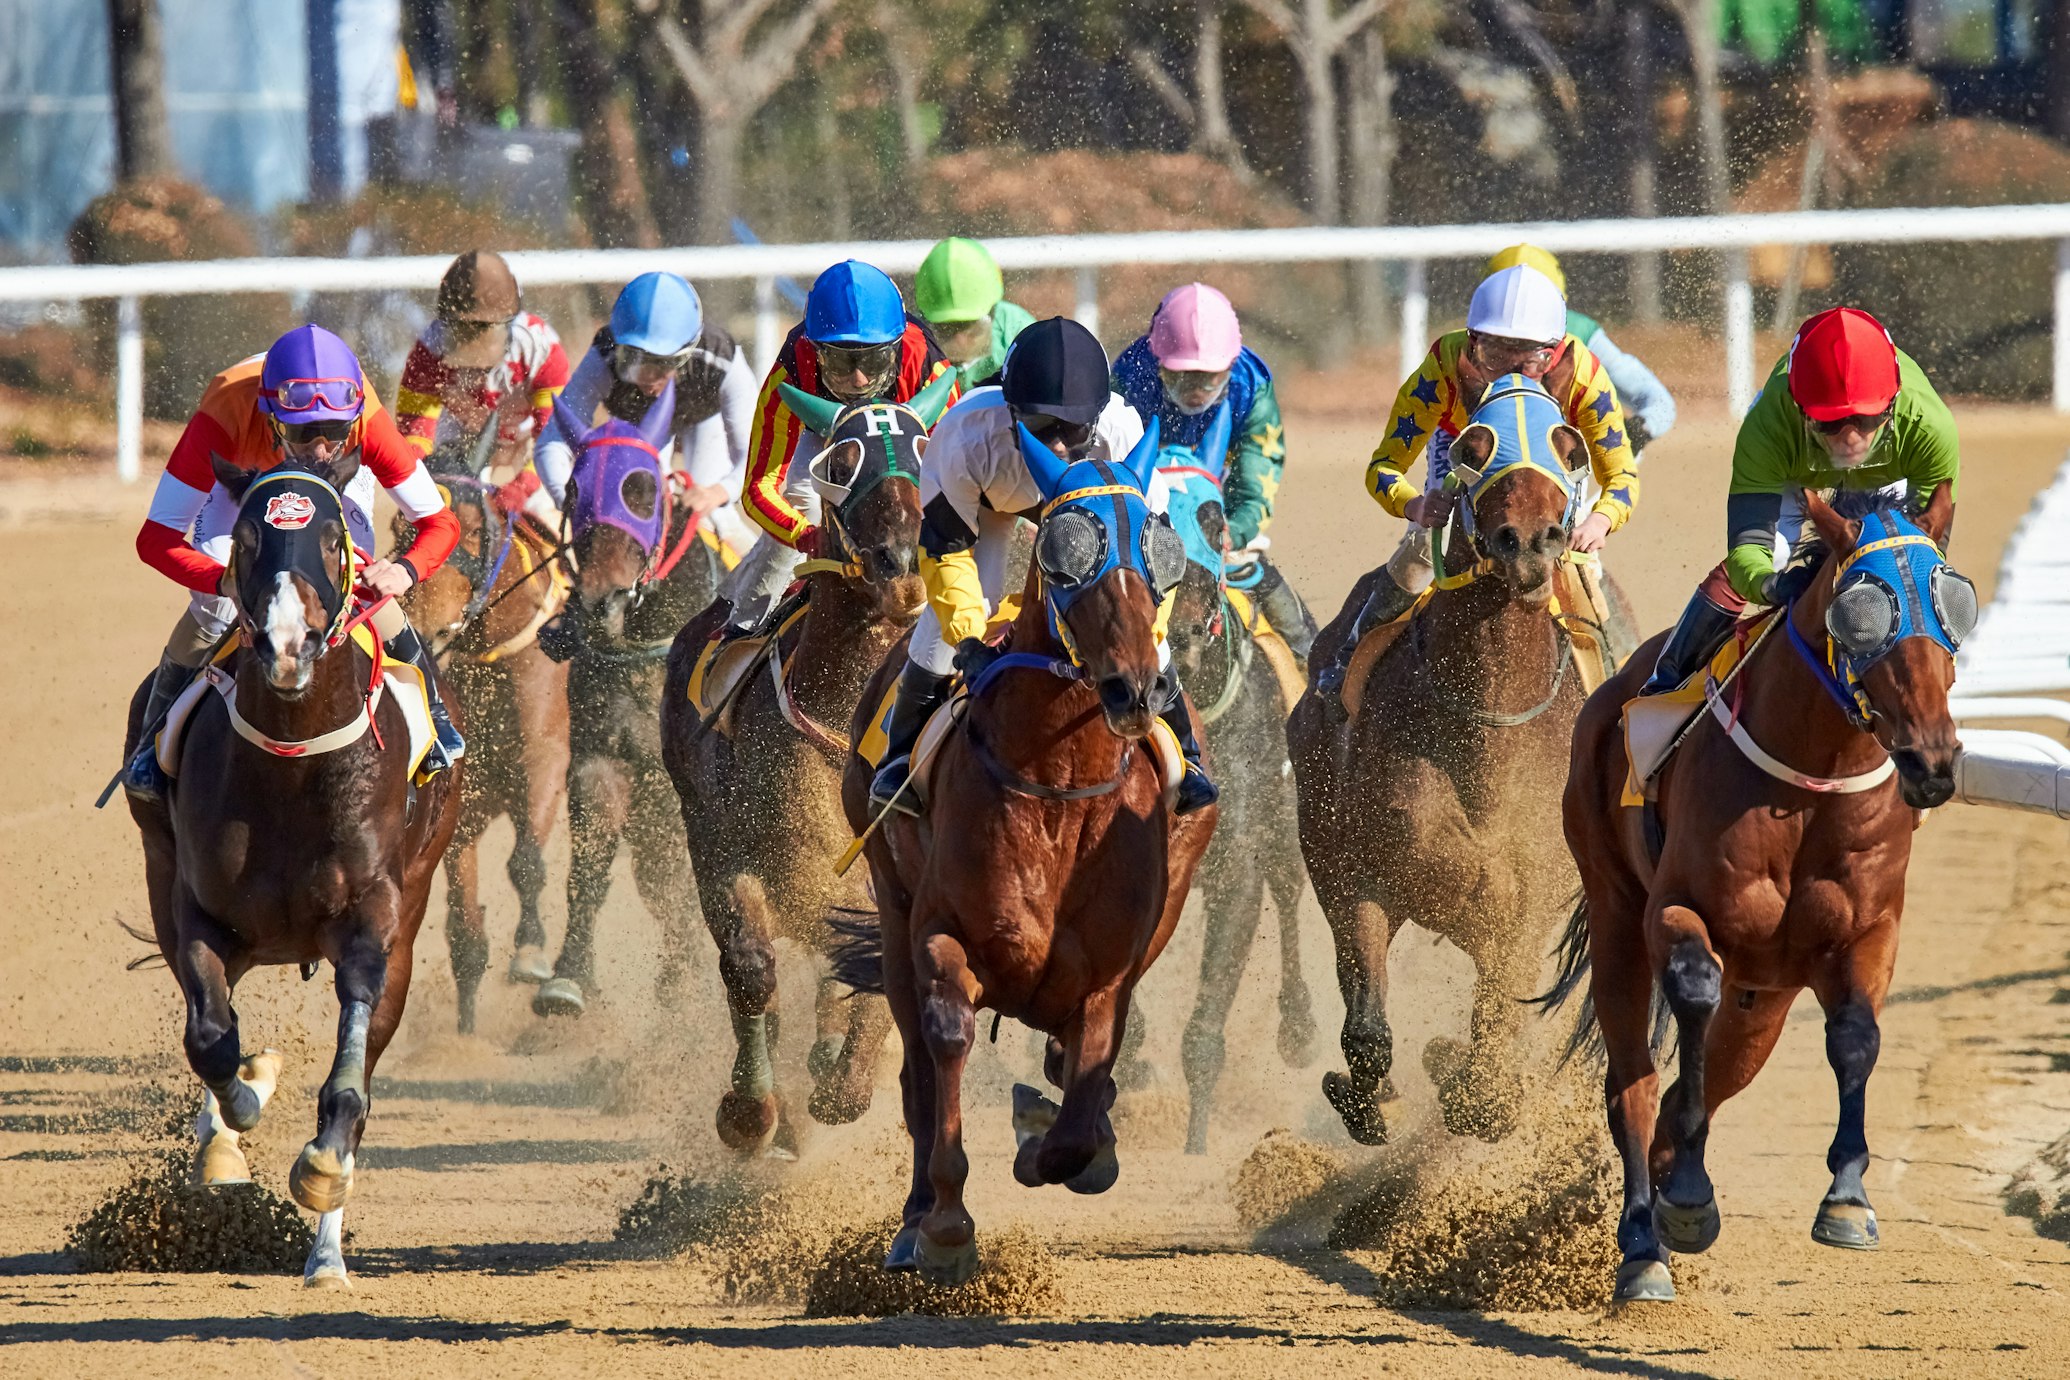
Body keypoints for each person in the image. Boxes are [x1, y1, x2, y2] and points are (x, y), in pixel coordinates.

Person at [868, 316, 1218, 818]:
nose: (1056, 446)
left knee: (1135, 620)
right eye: (1038, 427)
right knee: (959, 618)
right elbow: (946, 553)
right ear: (1010, 411)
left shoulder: (1121, 430)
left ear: (1097, 417)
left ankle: (1187, 757)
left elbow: (1154, 558)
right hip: (989, 508)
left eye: (1072, 430)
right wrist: (968, 641)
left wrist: (1147, 630)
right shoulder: (965, 434)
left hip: (1089, 510)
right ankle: (900, 758)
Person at [123, 325, 465, 800]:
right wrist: (223, 581)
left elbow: (440, 522)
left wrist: (404, 570)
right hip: (246, 477)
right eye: (304, 433)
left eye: (335, 433)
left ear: (353, 418)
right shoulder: (224, 415)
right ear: (271, 419)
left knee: (352, 580)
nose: (321, 450)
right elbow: (155, 539)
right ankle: (151, 741)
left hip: (335, 482)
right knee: (214, 606)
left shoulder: (365, 418)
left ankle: (435, 718)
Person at [1316, 263, 1639, 697]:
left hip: (1548, 479)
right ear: (1472, 342)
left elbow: (1621, 476)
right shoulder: (1443, 364)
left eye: (1529, 360)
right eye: (1494, 357)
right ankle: (1346, 662)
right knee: (1422, 551)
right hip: (1467, 457)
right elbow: (1384, 467)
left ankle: (1619, 692)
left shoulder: (1584, 374)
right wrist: (1415, 505)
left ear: (1555, 351)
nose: (1510, 374)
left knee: (1586, 573)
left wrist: (1601, 519)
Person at [1639, 305, 1959, 695]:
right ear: (1798, 408)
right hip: (1798, 473)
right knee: (1770, 557)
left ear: (1891, 406)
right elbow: (1748, 551)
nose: (1850, 439)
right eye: (1830, 422)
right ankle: (1666, 682)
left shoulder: (1930, 428)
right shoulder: (1767, 428)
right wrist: (1771, 587)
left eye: (1866, 419)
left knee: (1901, 567)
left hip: (1889, 474)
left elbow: (1928, 551)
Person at [725, 259, 958, 634]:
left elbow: (959, 481)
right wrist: (806, 536)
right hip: (826, 437)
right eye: (840, 361)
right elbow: (758, 488)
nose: (859, 378)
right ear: (815, 350)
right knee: (803, 498)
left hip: (903, 444)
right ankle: (743, 625)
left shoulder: (926, 365)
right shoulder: (791, 371)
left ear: (897, 347)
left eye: (873, 359)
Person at [1111, 282, 1317, 665]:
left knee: (1271, 590)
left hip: (1216, 523)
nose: (1196, 390)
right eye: (1183, 377)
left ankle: (1318, 671)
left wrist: (1234, 530)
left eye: (1210, 377)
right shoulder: (1126, 380)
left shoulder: (1251, 387)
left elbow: (1256, 483)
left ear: (1231, 365)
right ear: (1158, 362)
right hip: (1140, 520)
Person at [534, 270, 763, 562]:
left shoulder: (721, 357)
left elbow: (756, 456)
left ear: (687, 353)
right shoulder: (604, 353)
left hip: (705, 423)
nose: (646, 376)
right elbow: (552, 442)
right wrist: (570, 501)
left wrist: (717, 492)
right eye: (632, 359)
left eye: (661, 364)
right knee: (637, 508)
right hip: (636, 433)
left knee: (716, 517)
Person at [392, 249, 571, 519]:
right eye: (462, 331)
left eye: (484, 331)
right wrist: (424, 486)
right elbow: (414, 435)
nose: (473, 344)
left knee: (547, 516)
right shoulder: (428, 350)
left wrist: (522, 487)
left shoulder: (542, 347)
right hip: (456, 442)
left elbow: (555, 440)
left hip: (526, 447)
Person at [1483, 244, 1677, 456]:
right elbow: (1658, 401)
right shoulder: (1580, 333)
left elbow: (1657, 400)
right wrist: (1644, 427)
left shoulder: (1582, 335)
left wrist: (1639, 429)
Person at [913, 236, 1036, 390]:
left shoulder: (1018, 333)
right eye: (946, 329)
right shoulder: (911, 342)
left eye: (971, 327)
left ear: (992, 310)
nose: (960, 342)